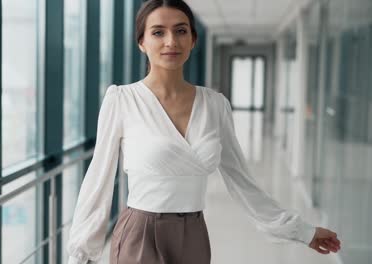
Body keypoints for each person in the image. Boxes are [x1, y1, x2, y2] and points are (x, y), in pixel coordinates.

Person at [66, 0, 341, 263]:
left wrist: (302, 231)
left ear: (193, 40)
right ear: (142, 42)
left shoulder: (215, 105)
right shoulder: (122, 100)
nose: (171, 41)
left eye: (181, 31)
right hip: (140, 234)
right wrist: (80, 255)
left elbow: (243, 183)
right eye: (158, 32)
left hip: (194, 234)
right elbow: (97, 182)